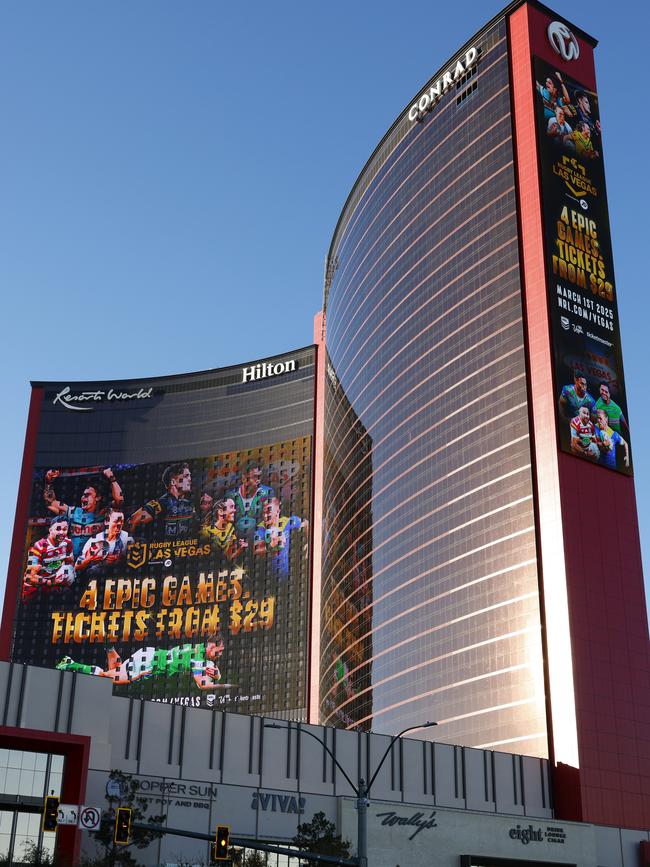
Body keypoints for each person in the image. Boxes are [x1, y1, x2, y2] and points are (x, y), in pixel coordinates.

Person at [56, 635, 228, 691]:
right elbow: (201, 684)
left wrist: (216, 673)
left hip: (149, 653)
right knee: (107, 677)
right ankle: (70, 664)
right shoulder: (198, 657)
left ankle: (110, 649)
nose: (219, 654)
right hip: (148, 664)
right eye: (218, 651)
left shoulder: (196, 648)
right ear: (211, 645)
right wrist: (223, 684)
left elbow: (204, 670)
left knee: (116, 671)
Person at [43, 467, 123, 559]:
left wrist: (112, 479)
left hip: (95, 563)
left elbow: (119, 501)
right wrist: (48, 482)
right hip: (72, 563)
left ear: (98, 498)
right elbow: (49, 502)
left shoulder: (104, 513)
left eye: (87, 495)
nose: (83, 498)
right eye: (83, 495)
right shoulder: (73, 511)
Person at [129, 462, 196, 539]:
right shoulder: (160, 503)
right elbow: (132, 521)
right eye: (186, 476)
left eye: (189, 476)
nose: (190, 479)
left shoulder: (189, 504)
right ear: (173, 482)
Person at [254, 497, 308, 578]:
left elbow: (306, 523)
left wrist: (309, 543)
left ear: (277, 511)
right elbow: (254, 549)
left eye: (268, 512)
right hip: (268, 579)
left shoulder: (287, 522)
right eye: (263, 513)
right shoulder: (260, 529)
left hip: (287, 576)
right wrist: (271, 545)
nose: (265, 516)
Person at [23, 517, 75, 600]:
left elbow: (70, 562)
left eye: (65, 529)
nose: (61, 532)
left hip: (52, 585)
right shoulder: (38, 547)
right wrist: (50, 582)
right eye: (58, 529)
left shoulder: (68, 543)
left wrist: (65, 576)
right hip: (35, 588)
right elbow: (30, 576)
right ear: (50, 530)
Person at [75, 509, 133, 577]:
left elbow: (135, 564)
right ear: (106, 522)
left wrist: (121, 560)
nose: (119, 525)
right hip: (97, 578)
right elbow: (76, 566)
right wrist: (90, 559)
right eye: (116, 521)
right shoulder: (94, 540)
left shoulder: (128, 539)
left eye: (122, 522)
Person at [226, 465, 275, 535]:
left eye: (260, 476)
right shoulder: (231, 496)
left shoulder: (267, 492)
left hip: (259, 536)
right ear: (244, 478)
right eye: (255, 476)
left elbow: (272, 516)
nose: (258, 479)